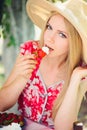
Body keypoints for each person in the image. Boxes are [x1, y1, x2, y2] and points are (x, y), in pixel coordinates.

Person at [0, 0, 87, 130]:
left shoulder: (79, 70)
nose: (49, 38)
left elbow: (64, 128)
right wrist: (22, 78)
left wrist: (75, 80)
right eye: (49, 27)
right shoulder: (30, 51)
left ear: (75, 43)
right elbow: (2, 104)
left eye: (62, 35)